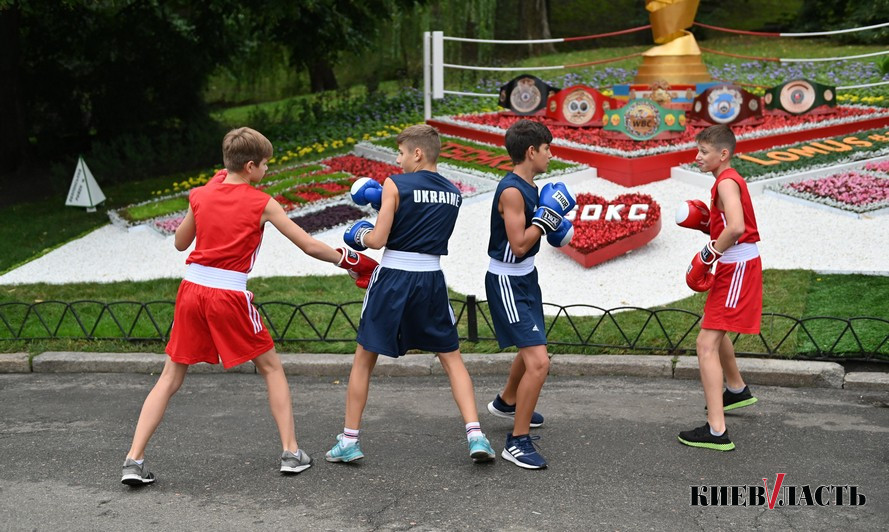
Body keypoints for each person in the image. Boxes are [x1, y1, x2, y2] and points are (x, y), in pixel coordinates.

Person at [121, 127, 379, 485]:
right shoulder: (263, 202)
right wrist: (349, 260)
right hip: (228, 293)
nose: (267, 172)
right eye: (266, 165)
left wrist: (202, 201)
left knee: (170, 376)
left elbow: (181, 244)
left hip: (191, 290)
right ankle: (291, 452)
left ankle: (133, 460)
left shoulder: (201, 194)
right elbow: (307, 245)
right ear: (251, 166)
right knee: (272, 367)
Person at [325, 124, 496, 464]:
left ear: (418, 153)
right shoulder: (453, 192)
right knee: (451, 357)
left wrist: (358, 235)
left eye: (401, 153)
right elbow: (420, 226)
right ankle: (477, 435)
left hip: (393, 278)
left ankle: (349, 441)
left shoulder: (395, 184)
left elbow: (377, 240)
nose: (398, 160)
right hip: (431, 278)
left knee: (364, 358)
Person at [484, 119, 575, 469]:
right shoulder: (511, 191)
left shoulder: (533, 186)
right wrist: (545, 220)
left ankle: (508, 400)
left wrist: (553, 225)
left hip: (526, 279)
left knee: (532, 349)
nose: (551, 155)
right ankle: (517, 442)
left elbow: (540, 237)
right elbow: (520, 245)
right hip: (507, 280)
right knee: (539, 362)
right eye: (547, 149)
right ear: (531, 151)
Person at [677, 124, 761, 451]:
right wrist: (710, 230)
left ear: (722, 154)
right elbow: (730, 225)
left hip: (736, 265)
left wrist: (710, 251)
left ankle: (716, 430)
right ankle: (737, 389)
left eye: (703, 152)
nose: (697, 157)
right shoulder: (726, 181)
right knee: (715, 327)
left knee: (705, 344)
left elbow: (738, 227)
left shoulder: (726, 182)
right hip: (733, 264)